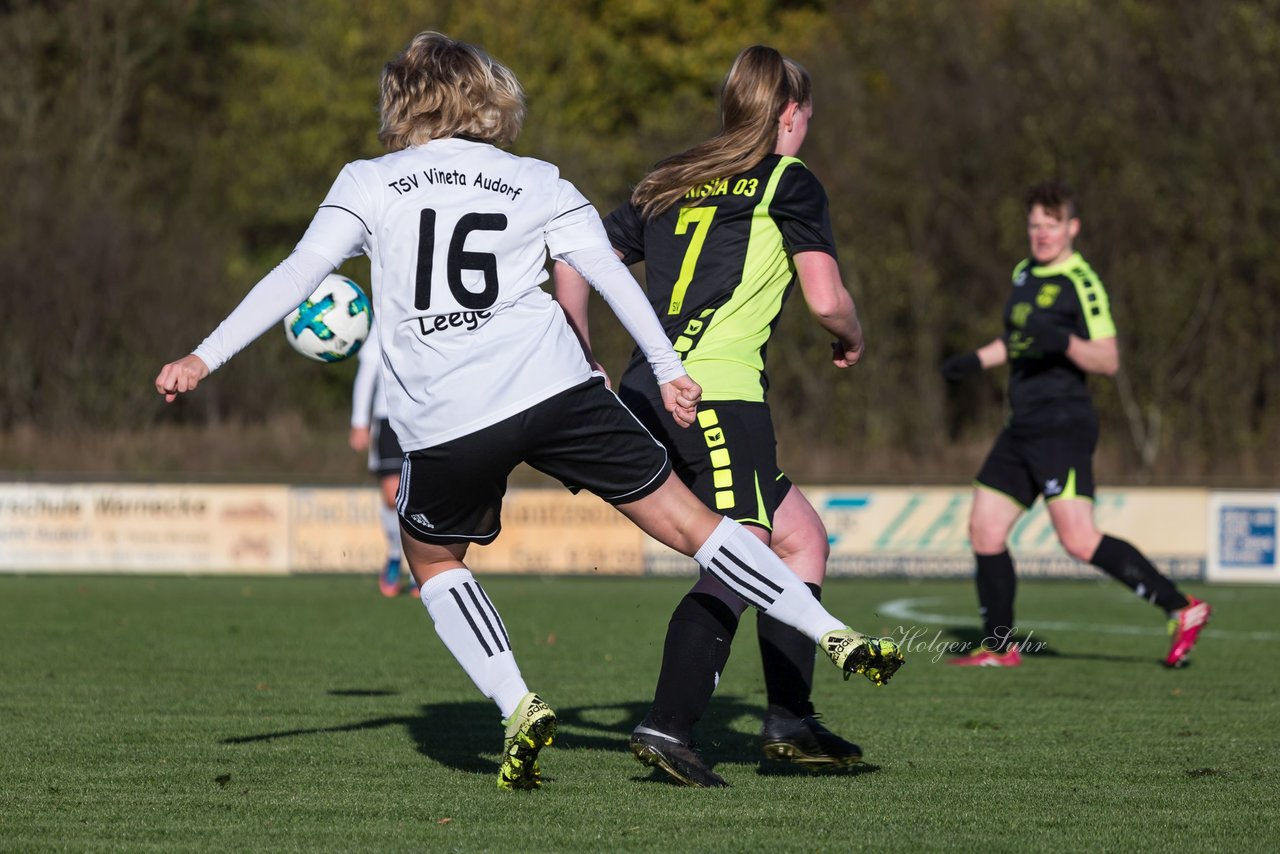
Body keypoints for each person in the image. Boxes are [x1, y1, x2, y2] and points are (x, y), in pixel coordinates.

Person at [155, 31, 902, 792]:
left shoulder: (368, 181)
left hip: (449, 415)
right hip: (555, 388)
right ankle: (830, 632)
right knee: (693, 524)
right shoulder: (537, 179)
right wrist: (671, 370)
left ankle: (517, 703)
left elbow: (297, 275)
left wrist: (201, 357)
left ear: (400, 101)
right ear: (487, 94)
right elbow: (607, 276)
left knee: (436, 561)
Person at [554, 45, 869, 787]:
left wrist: (580, 346)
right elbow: (826, 299)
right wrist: (852, 334)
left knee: (800, 538)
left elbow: (570, 256)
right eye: (807, 115)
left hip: (646, 389)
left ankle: (791, 720)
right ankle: (668, 725)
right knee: (745, 548)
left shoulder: (673, 180)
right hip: (715, 397)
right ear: (790, 114)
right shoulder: (789, 181)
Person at [941, 180, 1210, 669]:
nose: (1042, 234)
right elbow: (1019, 341)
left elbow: (1107, 360)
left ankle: (1182, 608)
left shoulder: (1081, 282)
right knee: (985, 528)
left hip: (1061, 423)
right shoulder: (1024, 273)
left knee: (1079, 539)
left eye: (1052, 225)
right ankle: (999, 648)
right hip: (1021, 424)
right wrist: (972, 362)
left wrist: (1063, 341)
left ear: (1072, 227)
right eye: (1034, 225)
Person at [348, 319, 414, 598]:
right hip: (387, 417)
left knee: (420, 495)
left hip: (425, 416)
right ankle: (395, 556)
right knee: (392, 496)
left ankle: (419, 568)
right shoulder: (384, 315)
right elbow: (367, 371)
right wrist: (359, 421)